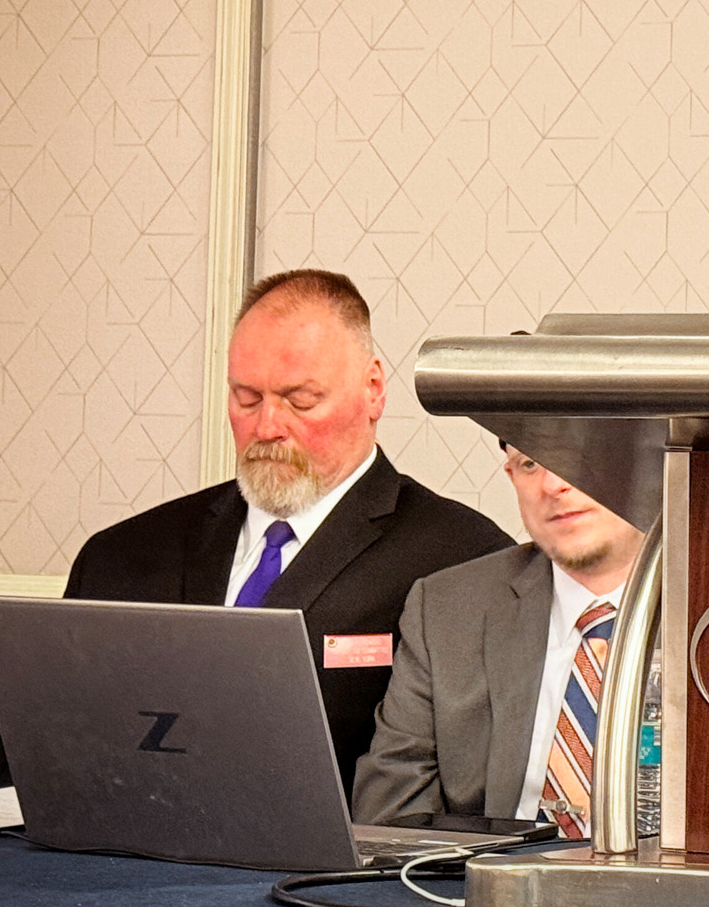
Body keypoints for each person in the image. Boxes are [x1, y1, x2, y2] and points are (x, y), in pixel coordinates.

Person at [64, 269, 509, 780]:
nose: (268, 427)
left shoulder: (463, 561)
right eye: (246, 399)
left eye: (300, 400)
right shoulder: (121, 555)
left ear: (373, 391)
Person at [351, 443, 646, 837]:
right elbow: (390, 817)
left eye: (579, 454)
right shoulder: (447, 607)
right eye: (530, 464)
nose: (554, 484)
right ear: (510, 476)